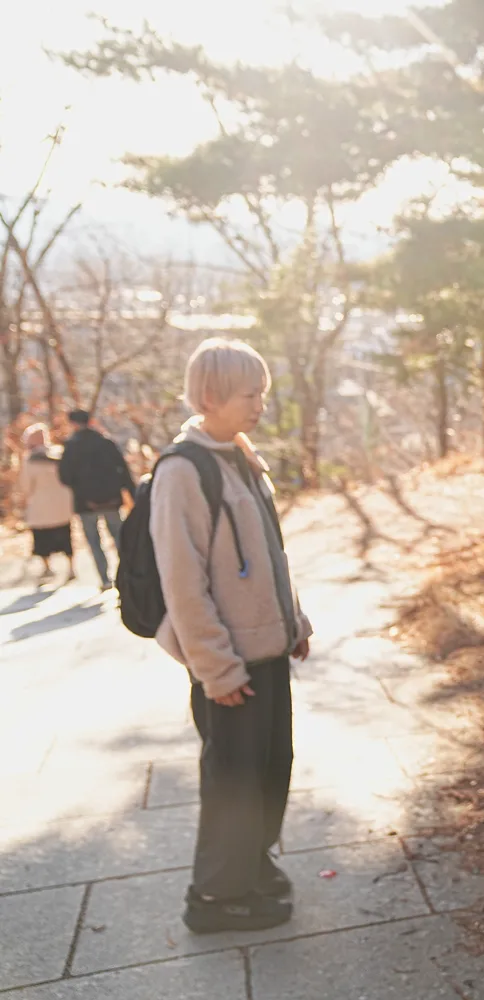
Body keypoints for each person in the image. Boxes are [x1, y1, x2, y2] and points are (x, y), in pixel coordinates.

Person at [150, 338, 313, 934]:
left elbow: (271, 553)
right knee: (233, 782)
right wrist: (216, 669)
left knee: (272, 767)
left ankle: (250, 864)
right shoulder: (183, 470)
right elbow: (183, 582)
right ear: (211, 396)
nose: (260, 406)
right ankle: (215, 898)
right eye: (250, 395)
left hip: (267, 652)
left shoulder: (241, 457)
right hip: (229, 666)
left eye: (263, 394)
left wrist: (294, 620)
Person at [58, 409, 135, 590]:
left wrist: (79, 487)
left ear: (73, 423)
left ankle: (105, 578)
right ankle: (127, 574)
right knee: (118, 537)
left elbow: (64, 477)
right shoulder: (106, 442)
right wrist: (130, 492)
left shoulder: (71, 446)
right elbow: (123, 469)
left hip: (85, 503)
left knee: (94, 541)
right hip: (112, 499)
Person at [17, 423, 77, 583]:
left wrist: (25, 498)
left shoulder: (29, 460)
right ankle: (71, 566)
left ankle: (47, 567)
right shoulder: (59, 452)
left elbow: (26, 484)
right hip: (63, 502)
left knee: (41, 536)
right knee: (65, 534)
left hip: (40, 503)